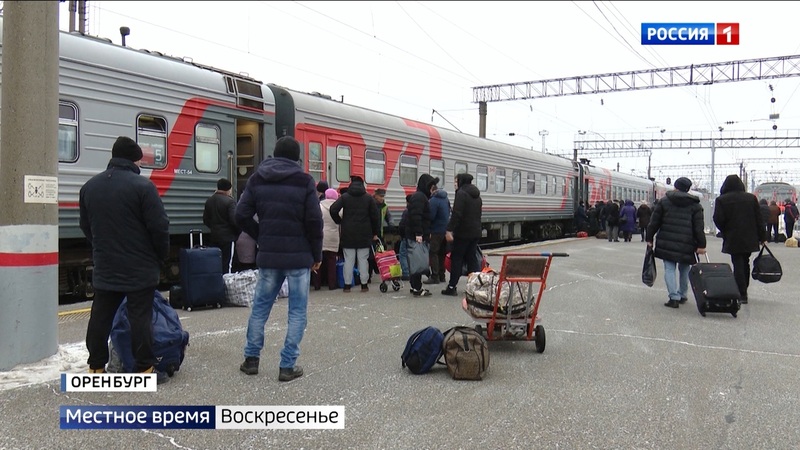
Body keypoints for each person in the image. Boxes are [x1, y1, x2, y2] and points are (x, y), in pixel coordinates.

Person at [79, 136, 170, 382]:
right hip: (139, 267)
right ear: (134, 159)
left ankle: (96, 367)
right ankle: (145, 368)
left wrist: (102, 247)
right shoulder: (143, 187)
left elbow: (86, 226)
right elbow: (159, 227)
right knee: (140, 317)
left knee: (100, 317)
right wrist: (160, 255)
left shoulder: (89, 187)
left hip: (106, 265)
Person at [235, 136, 323, 381]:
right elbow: (314, 221)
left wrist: (260, 235)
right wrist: (316, 254)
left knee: (260, 308)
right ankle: (287, 366)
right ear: (297, 157)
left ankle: (251, 360)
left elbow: (241, 214)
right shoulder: (304, 181)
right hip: (299, 257)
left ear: (275, 153)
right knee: (297, 312)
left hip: (269, 256)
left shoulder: (257, 178)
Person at [646, 177, 707, 309]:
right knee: (684, 269)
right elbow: (698, 228)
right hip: (687, 243)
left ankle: (673, 297)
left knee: (669, 269)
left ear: (675, 187)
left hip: (667, 241)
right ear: (688, 189)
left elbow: (654, 222)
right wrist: (701, 245)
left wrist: (649, 238)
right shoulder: (695, 205)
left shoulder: (664, 202)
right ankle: (683, 294)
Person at [713, 174, 768, 304]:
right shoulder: (751, 198)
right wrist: (762, 237)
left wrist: (725, 230)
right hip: (749, 236)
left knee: (737, 261)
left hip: (733, 236)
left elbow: (718, 219)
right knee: (745, 261)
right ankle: (744, 290)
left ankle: (741, 293)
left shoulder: (721, 200)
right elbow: (759, 219)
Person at [330, 175, 380, 293]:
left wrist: (339, 221)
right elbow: (375, 217)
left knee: (349, 260)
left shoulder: (345, 197)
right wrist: (375, 232)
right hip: (364, 234)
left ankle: (347, 285)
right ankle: (364, 285)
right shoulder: (368, 198)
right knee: (363, 260)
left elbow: (333, 209)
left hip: (348, 233)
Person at [442, 173, 482, 297]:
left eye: (456, 181)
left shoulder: (461, 194)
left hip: (463, 233)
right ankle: (475, 286)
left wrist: (449, 230)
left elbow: (457, 214)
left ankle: (452, 287)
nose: (455, 183)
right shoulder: (477, 195)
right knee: (472, 259)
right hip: (475, 232)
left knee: (457, 259)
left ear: (461, 181)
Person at [406, 173, 439, 297]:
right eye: (431, 187)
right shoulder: (420, 197)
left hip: (415, 234)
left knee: (416, 261)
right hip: (416, 236)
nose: (432, 190)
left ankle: (414, 286)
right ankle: (417, 288)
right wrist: (419, 233)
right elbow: (416, 216)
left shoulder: (419, 196)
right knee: (418, 262)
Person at [203, 178, 239, 273]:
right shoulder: (230, 202)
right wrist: (237, 232)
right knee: (227, 264)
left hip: (214, 237)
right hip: (228, 238)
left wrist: (214, 228)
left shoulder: (209, 200)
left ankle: (216, 281)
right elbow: (234, 221)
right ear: (228, 189)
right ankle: (226, 281)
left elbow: (205, 220)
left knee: (215, 262)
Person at [314, 188, 340, 291]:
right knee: (332, 261)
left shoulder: (319, 206)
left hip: (321, 235)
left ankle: (317, 285)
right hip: (333, 236)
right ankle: (332, 285)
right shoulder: (339, 207)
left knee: (318, 261)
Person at [426, 184, 450, 284]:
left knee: (433, 253)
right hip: (445, 230)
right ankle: (442, 275)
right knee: (442, 253)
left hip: (436, 230)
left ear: (431, 190)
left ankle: (435, 276)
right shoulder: (446, 199)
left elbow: (431, 216)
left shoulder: (433, 200)